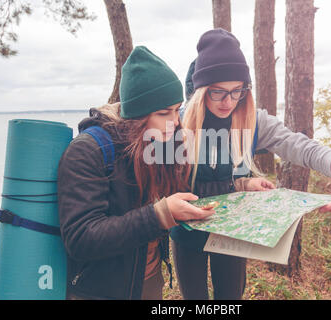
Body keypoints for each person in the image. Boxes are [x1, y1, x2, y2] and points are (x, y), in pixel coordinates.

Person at [170, 28, 331, 300]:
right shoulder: (176, 123)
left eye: (238, 91)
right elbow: (170, 183)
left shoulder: (253, 120)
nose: (229, 102)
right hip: (186, 232)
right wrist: (240, 183)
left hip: (233, 233)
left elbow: (303, 147)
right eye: (218, 92)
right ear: (201, 91)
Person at [57, 46, 214, 300]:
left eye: (177, 110)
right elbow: (80, 238)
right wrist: (160, 215)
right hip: (102, 291)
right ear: (136, 116)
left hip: (150, 281)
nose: (175, 122)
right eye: (163, 113)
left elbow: (186, 189)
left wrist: (240, 187)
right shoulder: (87, 152)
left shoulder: (159, 143)